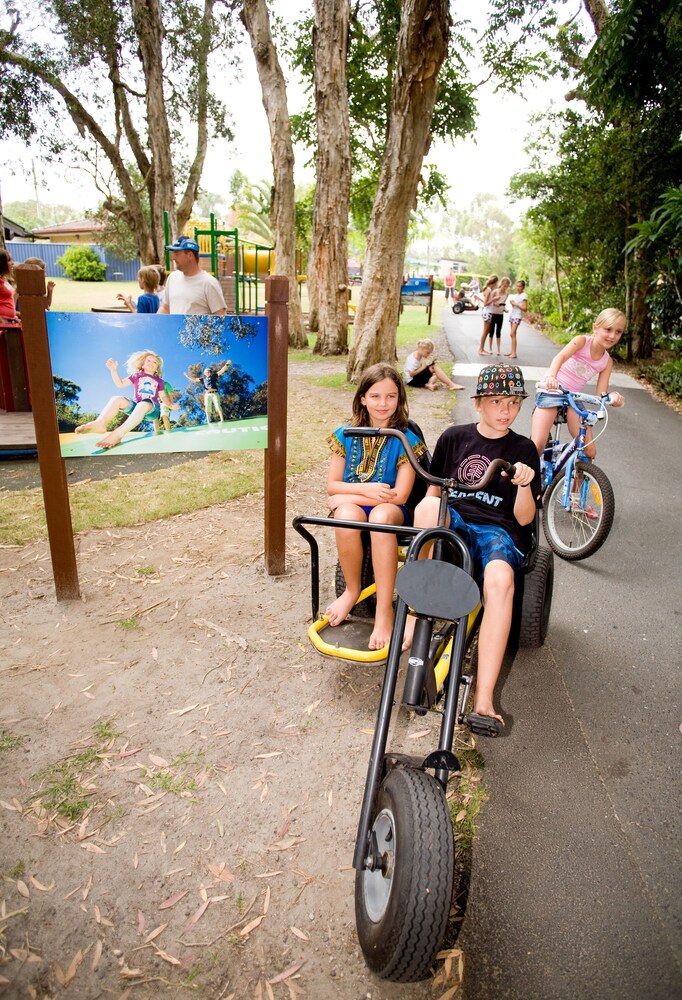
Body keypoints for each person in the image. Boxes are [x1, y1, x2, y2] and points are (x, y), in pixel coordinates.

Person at [403, 364, 541, 735]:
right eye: (497, 401)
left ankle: (483, 699)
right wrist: (429, 519)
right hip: (457, 519)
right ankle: (418, 611)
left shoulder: (523, 449)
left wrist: (525, 484)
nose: (506, 411)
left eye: (513, 403)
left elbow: (525, 521)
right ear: (478, 404)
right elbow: (433, 492)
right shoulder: (454, 438)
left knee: (499, 579)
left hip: (499, 530)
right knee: (428, 508)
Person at [325, 363, 427, 652]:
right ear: (362, 398)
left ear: (400, 399)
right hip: (357, 505)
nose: (383, 404)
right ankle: (352, 590)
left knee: (381, 517)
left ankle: (385, 609)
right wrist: (362, 492)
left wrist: (351, 495)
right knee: (345, 515)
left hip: (392, 510)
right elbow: (333, 486)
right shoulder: (346, 433)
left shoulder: (405, 437)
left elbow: (400, 495)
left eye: (391, 396)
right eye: (375, 396)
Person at [530, 307, 626, 460]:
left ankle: (578, 483)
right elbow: (559, 357)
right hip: (553, 390)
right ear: (596, 327)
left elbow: (600, 395)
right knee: (538, 446)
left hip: (573, 398)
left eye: (618, 332)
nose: (612, 336)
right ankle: (525, 481)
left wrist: (611, 398)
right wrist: (551, 377)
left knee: (589, 452)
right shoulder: (582, 341)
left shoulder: (607, 362)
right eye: (608, 329)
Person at [75, 350, 178, 450]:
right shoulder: (136, 375)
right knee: (116, 399)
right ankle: (100, 423)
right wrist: (113, 370)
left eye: (155, 362)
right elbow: (120, 384)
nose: (151, 363)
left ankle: (118, 434)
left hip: (152, 410)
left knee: (144, 403)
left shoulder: (159, 381)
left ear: (157, 368)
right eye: (148, 361)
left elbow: (163, 397)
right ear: (142, 365)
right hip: (137, 408)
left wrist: (170, 405)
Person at [158, 236, 227, 316]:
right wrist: (154, 324)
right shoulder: (172, 278)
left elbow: (221, 317)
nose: (173, 258)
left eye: (177, 254)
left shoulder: (209, 283)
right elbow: (165, 308)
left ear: (190, 255)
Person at [486, 276, 511, 355]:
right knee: (491, 331)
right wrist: (495, 304)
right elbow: (490, 302)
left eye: (506, 287)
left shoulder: (506, 294)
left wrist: (505, 309)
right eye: (504, 286)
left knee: (498, 332)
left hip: (500, 314)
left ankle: (498, 350)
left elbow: (503, 304)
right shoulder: (495, 292)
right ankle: (490, 348)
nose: (504, 288)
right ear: (501, 284)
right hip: (493, 313)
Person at [505, 279, 528, 359]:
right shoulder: (516, 296)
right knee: (513, 335)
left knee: (512, 333)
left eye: (520, 286)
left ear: (523, 287)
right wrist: (513, 304)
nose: (518, 288)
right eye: (517, 286)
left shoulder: (524, 295)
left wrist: (515, 304)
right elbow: (516, 306)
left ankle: (514, 353)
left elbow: (525, 308)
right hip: (512, 315)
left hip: (517, 316)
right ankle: (512, 352)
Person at [477, 275, 499, 355]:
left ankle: (482, 348)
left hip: (489, 312)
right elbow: (485, 303)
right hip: (487, 312)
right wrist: (494, 299)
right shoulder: (488, 290)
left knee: (487, 331)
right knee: (485, 331)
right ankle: (481, 349)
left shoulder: (489, 289)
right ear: (494, 282)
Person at [0, 250, 18, 322]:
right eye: (8, 260)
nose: (12, 263)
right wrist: (2, 322)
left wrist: (14, 317)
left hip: (10, 319)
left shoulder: (5, 279)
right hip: (3, 320)